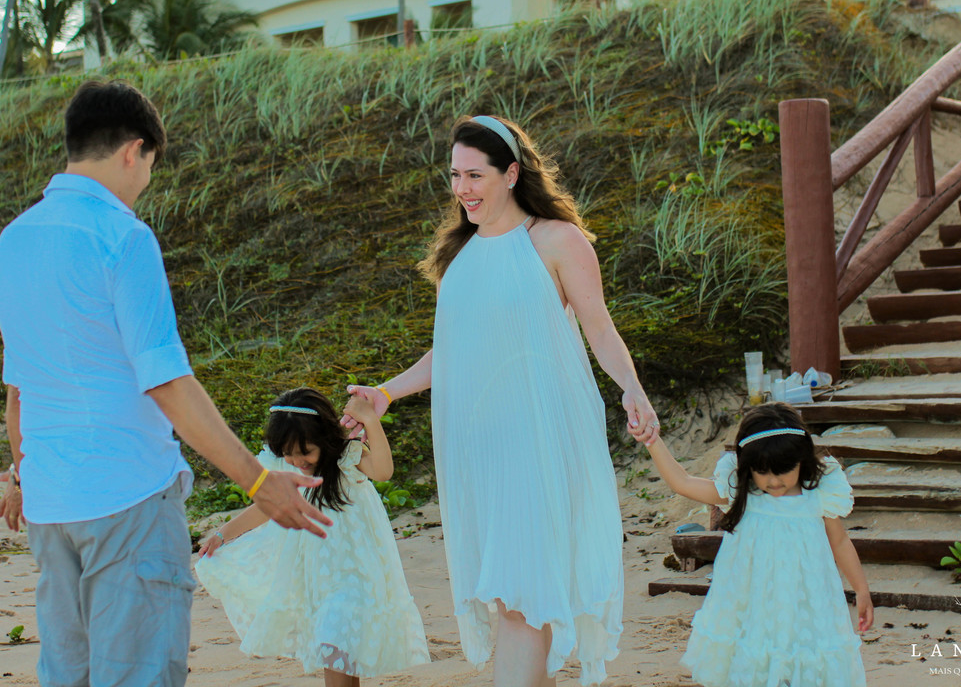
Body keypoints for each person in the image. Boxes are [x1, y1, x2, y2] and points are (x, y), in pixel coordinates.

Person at [0, 79, 331, 687]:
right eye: (149, 165)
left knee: (70, 675)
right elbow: (166, 383)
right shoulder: (121, 236)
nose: (145, 182)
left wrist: (20, 474)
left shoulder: (12, 243)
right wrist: (257, 481)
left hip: (49, 504)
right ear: (133, 150)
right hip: (125, 496)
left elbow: (19, 388)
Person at [345, 115, 661, 687]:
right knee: (509, 597)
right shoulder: (459, 259)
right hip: (479, 447)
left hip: (540, 437)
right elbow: (452, 352)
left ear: (511, 173)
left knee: (521, 593)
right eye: (454, 175)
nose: (462, 188)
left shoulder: (556, 240)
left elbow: (600, 328)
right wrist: (386, 392)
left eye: (474, 174)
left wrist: (632, 388)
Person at [196, 388, 430, 687]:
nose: (297, 461)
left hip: (355, 574)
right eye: (288, 454)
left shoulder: (347, 458)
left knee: (338, 644)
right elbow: (267, 506)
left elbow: (383, 471)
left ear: (324, 439)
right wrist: (222, 533)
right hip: (317, 577)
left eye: (305, 451)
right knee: (334, 650)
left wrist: (370, 419)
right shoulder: (288, 467)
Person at [633, 402, 873, 687]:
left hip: (806, 603)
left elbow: (840, 542)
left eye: (784, 470)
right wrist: (652, 439)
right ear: (748, 466)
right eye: (762, 471)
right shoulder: (743, 492)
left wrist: (861, 588)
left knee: (803, 664)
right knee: (754, 665)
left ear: (801, 458)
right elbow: (682, 482)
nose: (773, 481)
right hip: (752, 604)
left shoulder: (818, 494)